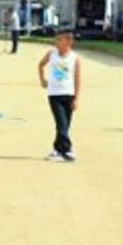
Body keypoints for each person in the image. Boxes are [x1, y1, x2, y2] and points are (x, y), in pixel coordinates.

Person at [38, 29, 81, 162]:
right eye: (56, 39)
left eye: (59, 39)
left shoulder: (75, 58)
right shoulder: (51, 54)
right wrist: (42, 79)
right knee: (61, 122)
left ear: (68, 42)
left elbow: (77, 79)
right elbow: (40, 65)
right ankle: (68, 150)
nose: (56, 42)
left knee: (65, 125)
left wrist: (76, 98)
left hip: (69, 94)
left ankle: (58, 150)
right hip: (54, 94)